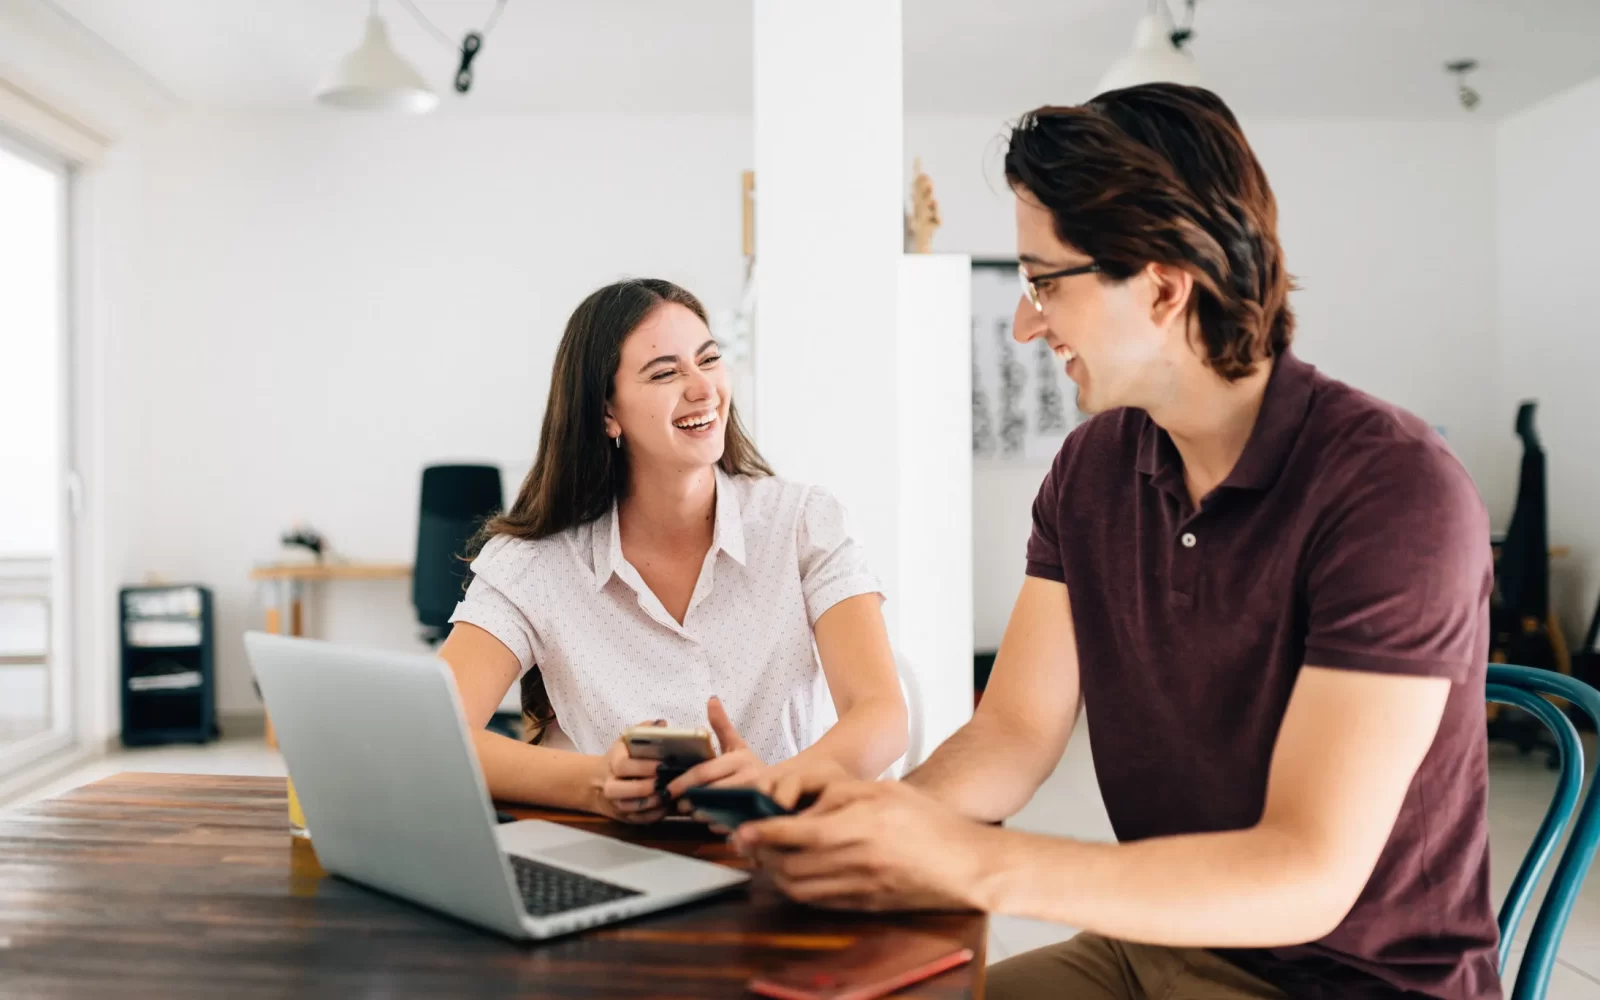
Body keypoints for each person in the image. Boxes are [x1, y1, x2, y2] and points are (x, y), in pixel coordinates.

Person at [735, 84, 1499, 1000]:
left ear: (1163, 285)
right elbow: (1016, 730)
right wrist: (872, 820)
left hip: (1350, 981)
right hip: (1157, 942)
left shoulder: (1394, 493)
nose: (1025, 323)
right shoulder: (1094, 468)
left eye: (1043, 281)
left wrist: (975, 866)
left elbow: (1307, 874)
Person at [440, 278, 907, 824]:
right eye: (665, 372)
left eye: (708, 360)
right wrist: (596, 782)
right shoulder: (533, 563)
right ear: (606, 414)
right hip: (623, 862)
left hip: (787, 851)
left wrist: (775, 784)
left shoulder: (804, 523)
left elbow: (882, 714)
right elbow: (437, 730)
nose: (703, 387)